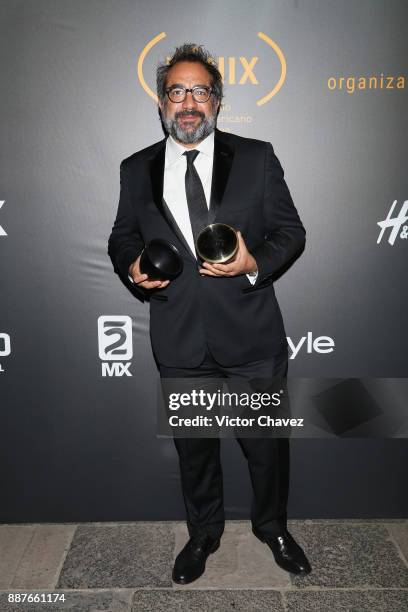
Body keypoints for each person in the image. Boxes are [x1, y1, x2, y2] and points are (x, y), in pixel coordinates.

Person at [108, 43, 311, 584]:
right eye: (177, 91)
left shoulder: (257, 157)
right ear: (162, 102)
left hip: (252, 338)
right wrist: (131, 267)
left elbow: (291, 234)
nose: (189, 102)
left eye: (200, 91)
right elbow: (123, 236)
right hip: (180, 341)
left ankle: (274, 528)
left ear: (217, 102)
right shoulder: (135, 169)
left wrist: (252, 263)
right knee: (195, 453)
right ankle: (203, 535)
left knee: (266, 451)